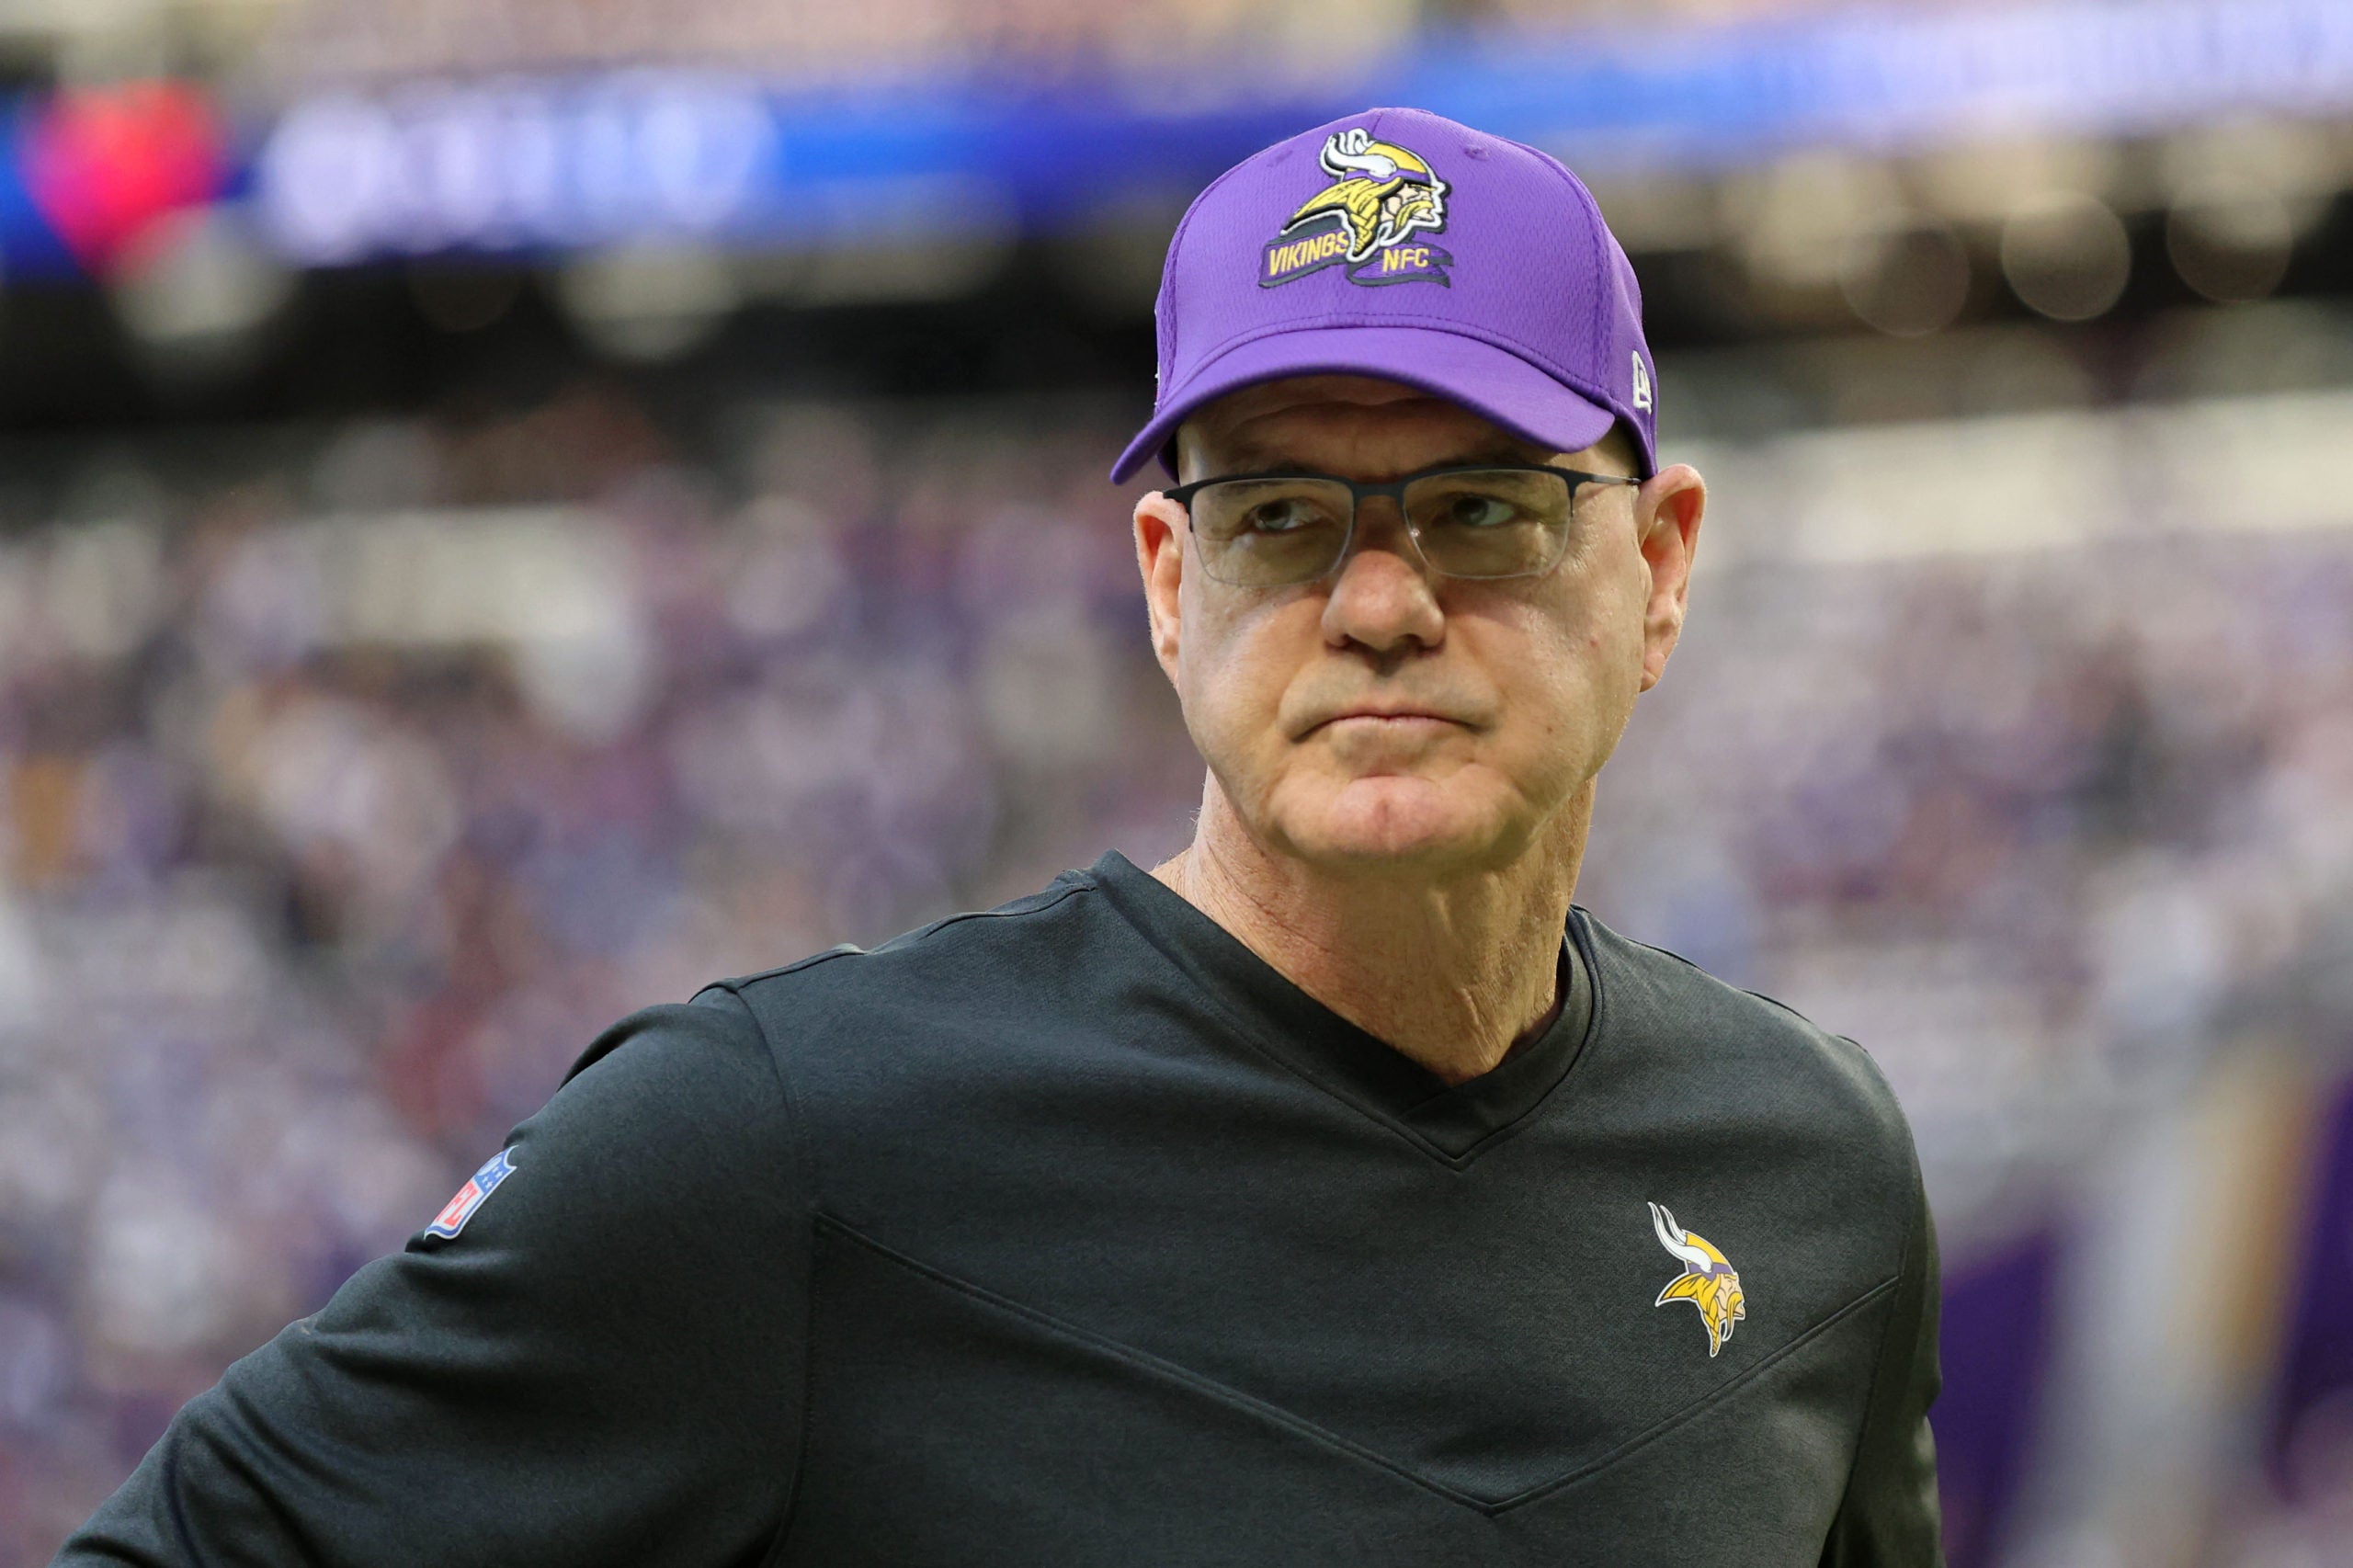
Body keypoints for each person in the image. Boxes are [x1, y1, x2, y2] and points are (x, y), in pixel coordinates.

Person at [56, 107, 1939, 1567]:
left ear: (1660, 563)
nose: (1377, 601)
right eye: (1278, 516)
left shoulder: (1806, 1171)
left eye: (1481, 508)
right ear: (1163, 583)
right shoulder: (783, 1141)